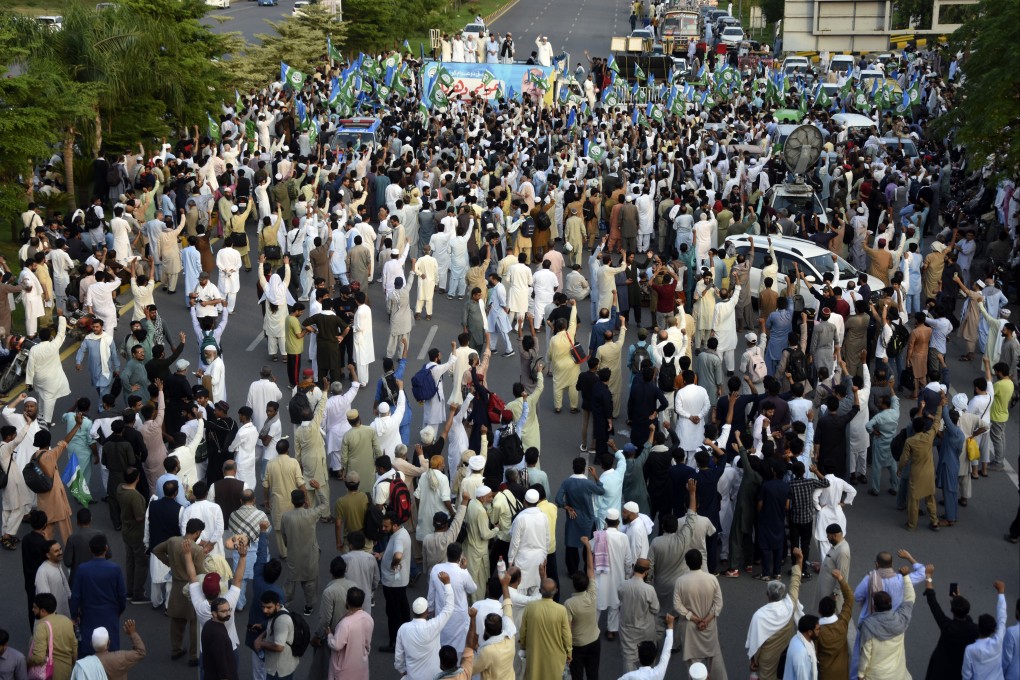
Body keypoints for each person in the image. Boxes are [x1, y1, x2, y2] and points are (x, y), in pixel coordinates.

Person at [152, 519, 207, 666]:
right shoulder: (197, 550)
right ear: (197, 533)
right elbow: (202, 573)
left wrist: (170, 563)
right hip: (192, 587)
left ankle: (176, 649)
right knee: (194, 623)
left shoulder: (173, 541)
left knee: (176, 621)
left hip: (176, 585)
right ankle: (194, 655)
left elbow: (156, 549)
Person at [746, 547, 805, 678]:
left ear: (767, 594)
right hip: (786, 653)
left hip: (767, 658)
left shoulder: (759, 615)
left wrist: (753, 661)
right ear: (782, 593)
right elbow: (795, 581)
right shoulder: (790, 605)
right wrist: (799, 559)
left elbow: (754, 642)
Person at [69, 534, 126, 656]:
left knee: (89, 647)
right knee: (111, 647)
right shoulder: (115, 569)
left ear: (90, 550)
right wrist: (120, 610)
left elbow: (75, 596)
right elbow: (122, 595)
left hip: (89, 614)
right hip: (110, 614)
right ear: (106, 548)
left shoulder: (82, 569)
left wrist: (74, 615)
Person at [857, 568, 917, 679]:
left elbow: (865, 655)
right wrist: (906, 577)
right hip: (897, 674)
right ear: (890, 604)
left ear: (875, 607)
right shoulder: (900, 619)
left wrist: (860, 675)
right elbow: (910, 598)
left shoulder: (868, 626)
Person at [393, 572, 455, 680]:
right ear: (426, 612)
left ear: (413, 612)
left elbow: (399, 657)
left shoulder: (403, 629)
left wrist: (402, 671)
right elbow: (449, 608)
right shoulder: (433, 625)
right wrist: (447, 583)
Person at [923, 564, 978, 679]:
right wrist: (957, 599)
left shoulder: (947, 626)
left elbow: (932, 602)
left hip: (940, 668)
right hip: (959, 669)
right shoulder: (974, 628)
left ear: (952, 610)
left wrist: (928, 576)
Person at [280, 480, 326, 615]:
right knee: (310, 582)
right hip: (310, 554)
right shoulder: (311, 514)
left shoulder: (286, 516)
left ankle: (286, 604)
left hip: (293, 553)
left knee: (290, 581)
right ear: (304, 500)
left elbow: (283, 535)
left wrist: (289, 545)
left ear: (292, 501)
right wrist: (318, 489)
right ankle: (309, 606)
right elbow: (324, 504)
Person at [518, 578, 572, 680]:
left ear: (540, 591)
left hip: (534, 654)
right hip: (555, 658)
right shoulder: (561, 610)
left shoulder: (530, 607)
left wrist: (523, 645)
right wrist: (569, 652)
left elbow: (523, 631)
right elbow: (567, 636)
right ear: (556, 591)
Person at [24, 314, 70, 425]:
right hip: (51, 379)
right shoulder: (53, 345)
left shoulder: (34, 349)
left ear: (39, 337)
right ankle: (47, 421)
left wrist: (28, 383)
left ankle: (39, 415)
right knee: (50, 398)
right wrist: (62, 318)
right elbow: (61, 333)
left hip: (38, 378)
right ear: (50, 337)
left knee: (41, 395)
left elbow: (30, 367)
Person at [378, 512, 412, 653]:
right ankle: (407, 634)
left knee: (393, 613)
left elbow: (397, 555)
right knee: (402, 608)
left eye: (386, 526)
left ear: (395, 525)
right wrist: (382, 555)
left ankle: (394, 643)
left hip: (393, 583)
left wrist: (393, 564)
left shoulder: (398, 538)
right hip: (399, 582)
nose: (383, 528)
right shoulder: (401, 533)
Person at [960, 580, 1008, 679]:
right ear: (993, 630)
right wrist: (1001, 592)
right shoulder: (998, 642)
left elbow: (966, 675)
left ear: (979, 627)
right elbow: (1002, 617)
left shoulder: (970, 650)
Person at [617, 558, 658, 672]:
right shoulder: (649, 590)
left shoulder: (623, 585)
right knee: (649, 656)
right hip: (645, 629)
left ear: (634, 568)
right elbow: (655, 609)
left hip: (627, 628)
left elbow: (620, 598)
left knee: (628, 658)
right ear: (646, 572)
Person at [326, 587, 372, 680]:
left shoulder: (345, 624)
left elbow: (337, 645)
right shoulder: (368, 618)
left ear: (347, 601)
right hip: (361, 663)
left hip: (344, 668)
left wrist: (329, 635)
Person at [815, 568, 853, 679]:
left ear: (819, 611)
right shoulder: (843, 622)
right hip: (842, 672)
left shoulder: (817, 631)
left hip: (825, 673)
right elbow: (850, 598)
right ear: (834, 609)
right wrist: (840, 579)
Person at [28, 594, 76, 680]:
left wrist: (27, 663)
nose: (32, 610)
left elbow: (39, 657)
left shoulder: (41, 627)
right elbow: (74, 646)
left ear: (42, 611)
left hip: (50, 673)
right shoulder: (66, 620)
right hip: (66, 670)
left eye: (35, 607)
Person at [254, 591, 299, 680]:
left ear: (277, 605)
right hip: (280, 665)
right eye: (263, 607)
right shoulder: (277, 612)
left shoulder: (282, 621)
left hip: (279, 670)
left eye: (268, 607)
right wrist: (260, 637)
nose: (265, 610)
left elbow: (279, 647)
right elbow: (271, 627)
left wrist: (260, 643)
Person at [201, 598, 238, 680]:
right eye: (223, 611)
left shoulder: (209, 624)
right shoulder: (217, 634)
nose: (228, 613)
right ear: (214, 613)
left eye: (229, 610)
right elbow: (220, 660)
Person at [34, 540, 71, 618]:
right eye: (56, 551)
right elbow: (45, 599)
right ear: (48, 555)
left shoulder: (57, 564)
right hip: (54, 616)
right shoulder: (42, 572)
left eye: (60, 549)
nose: (60, 552)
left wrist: (70, 597)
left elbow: (64, 583)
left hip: (64, 610)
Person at [783, 615, 821, 680]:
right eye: (817, 629)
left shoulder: (797, 638)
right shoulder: (801, 653)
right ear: (809, 632)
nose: (819, 631)